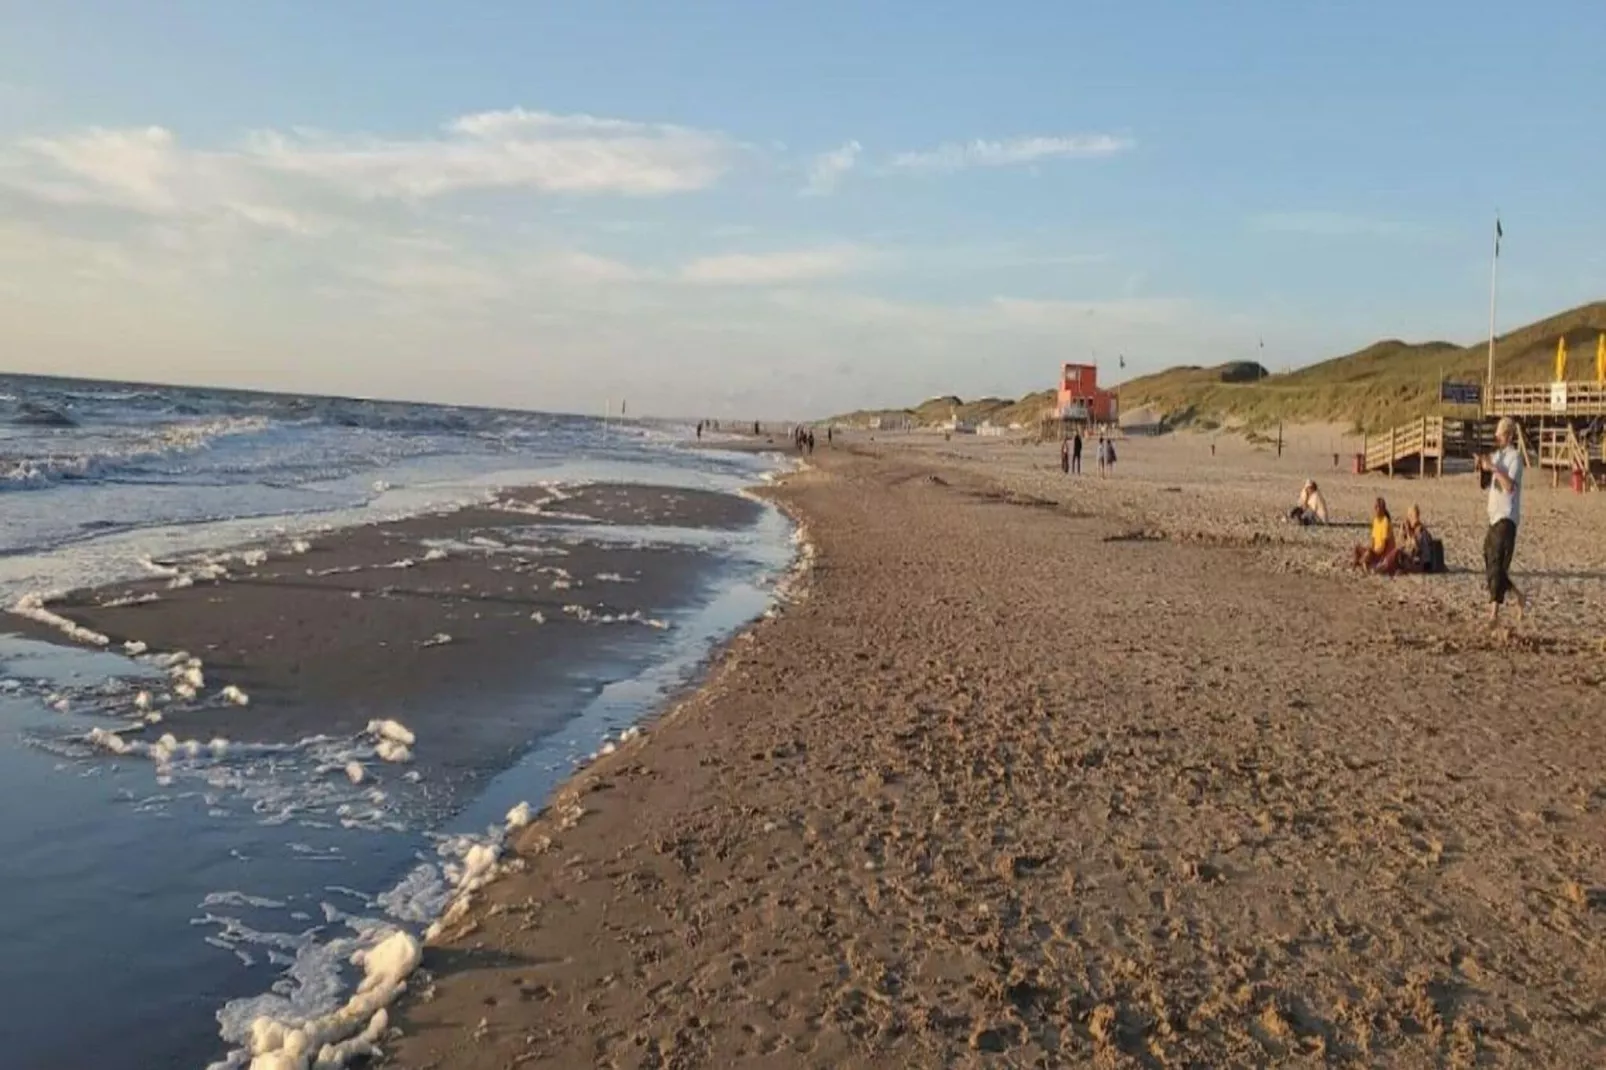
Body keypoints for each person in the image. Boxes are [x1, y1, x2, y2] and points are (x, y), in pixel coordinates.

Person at [1476, 416, 1526, 623]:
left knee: (1497, 563)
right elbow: (1485, 485)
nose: (1497, 440)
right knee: (1490, 560)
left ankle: (1494, 613)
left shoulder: (1515, 458)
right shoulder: (1497, 455)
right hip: (1493, 517)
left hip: (1507, 517)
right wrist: (1482, 466)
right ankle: (1518, 595)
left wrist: (1495, 468)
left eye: (1500, 435)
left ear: (1509, 436)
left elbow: (1509, 487)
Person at [1353, 497, 1394, 571]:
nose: (1375, 509)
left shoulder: (1385, 522)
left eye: (1377, 507)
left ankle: (1362, 563)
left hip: (1381, 553)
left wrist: (1373, 551)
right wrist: (1370, 548)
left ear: (1382, 509)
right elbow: (1373, 539)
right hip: (1374, 550)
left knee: (1368, 553)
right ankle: (1358, 563)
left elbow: (1384, 545)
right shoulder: (1375, 521)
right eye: (1375, 507)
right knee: (1357, 548)